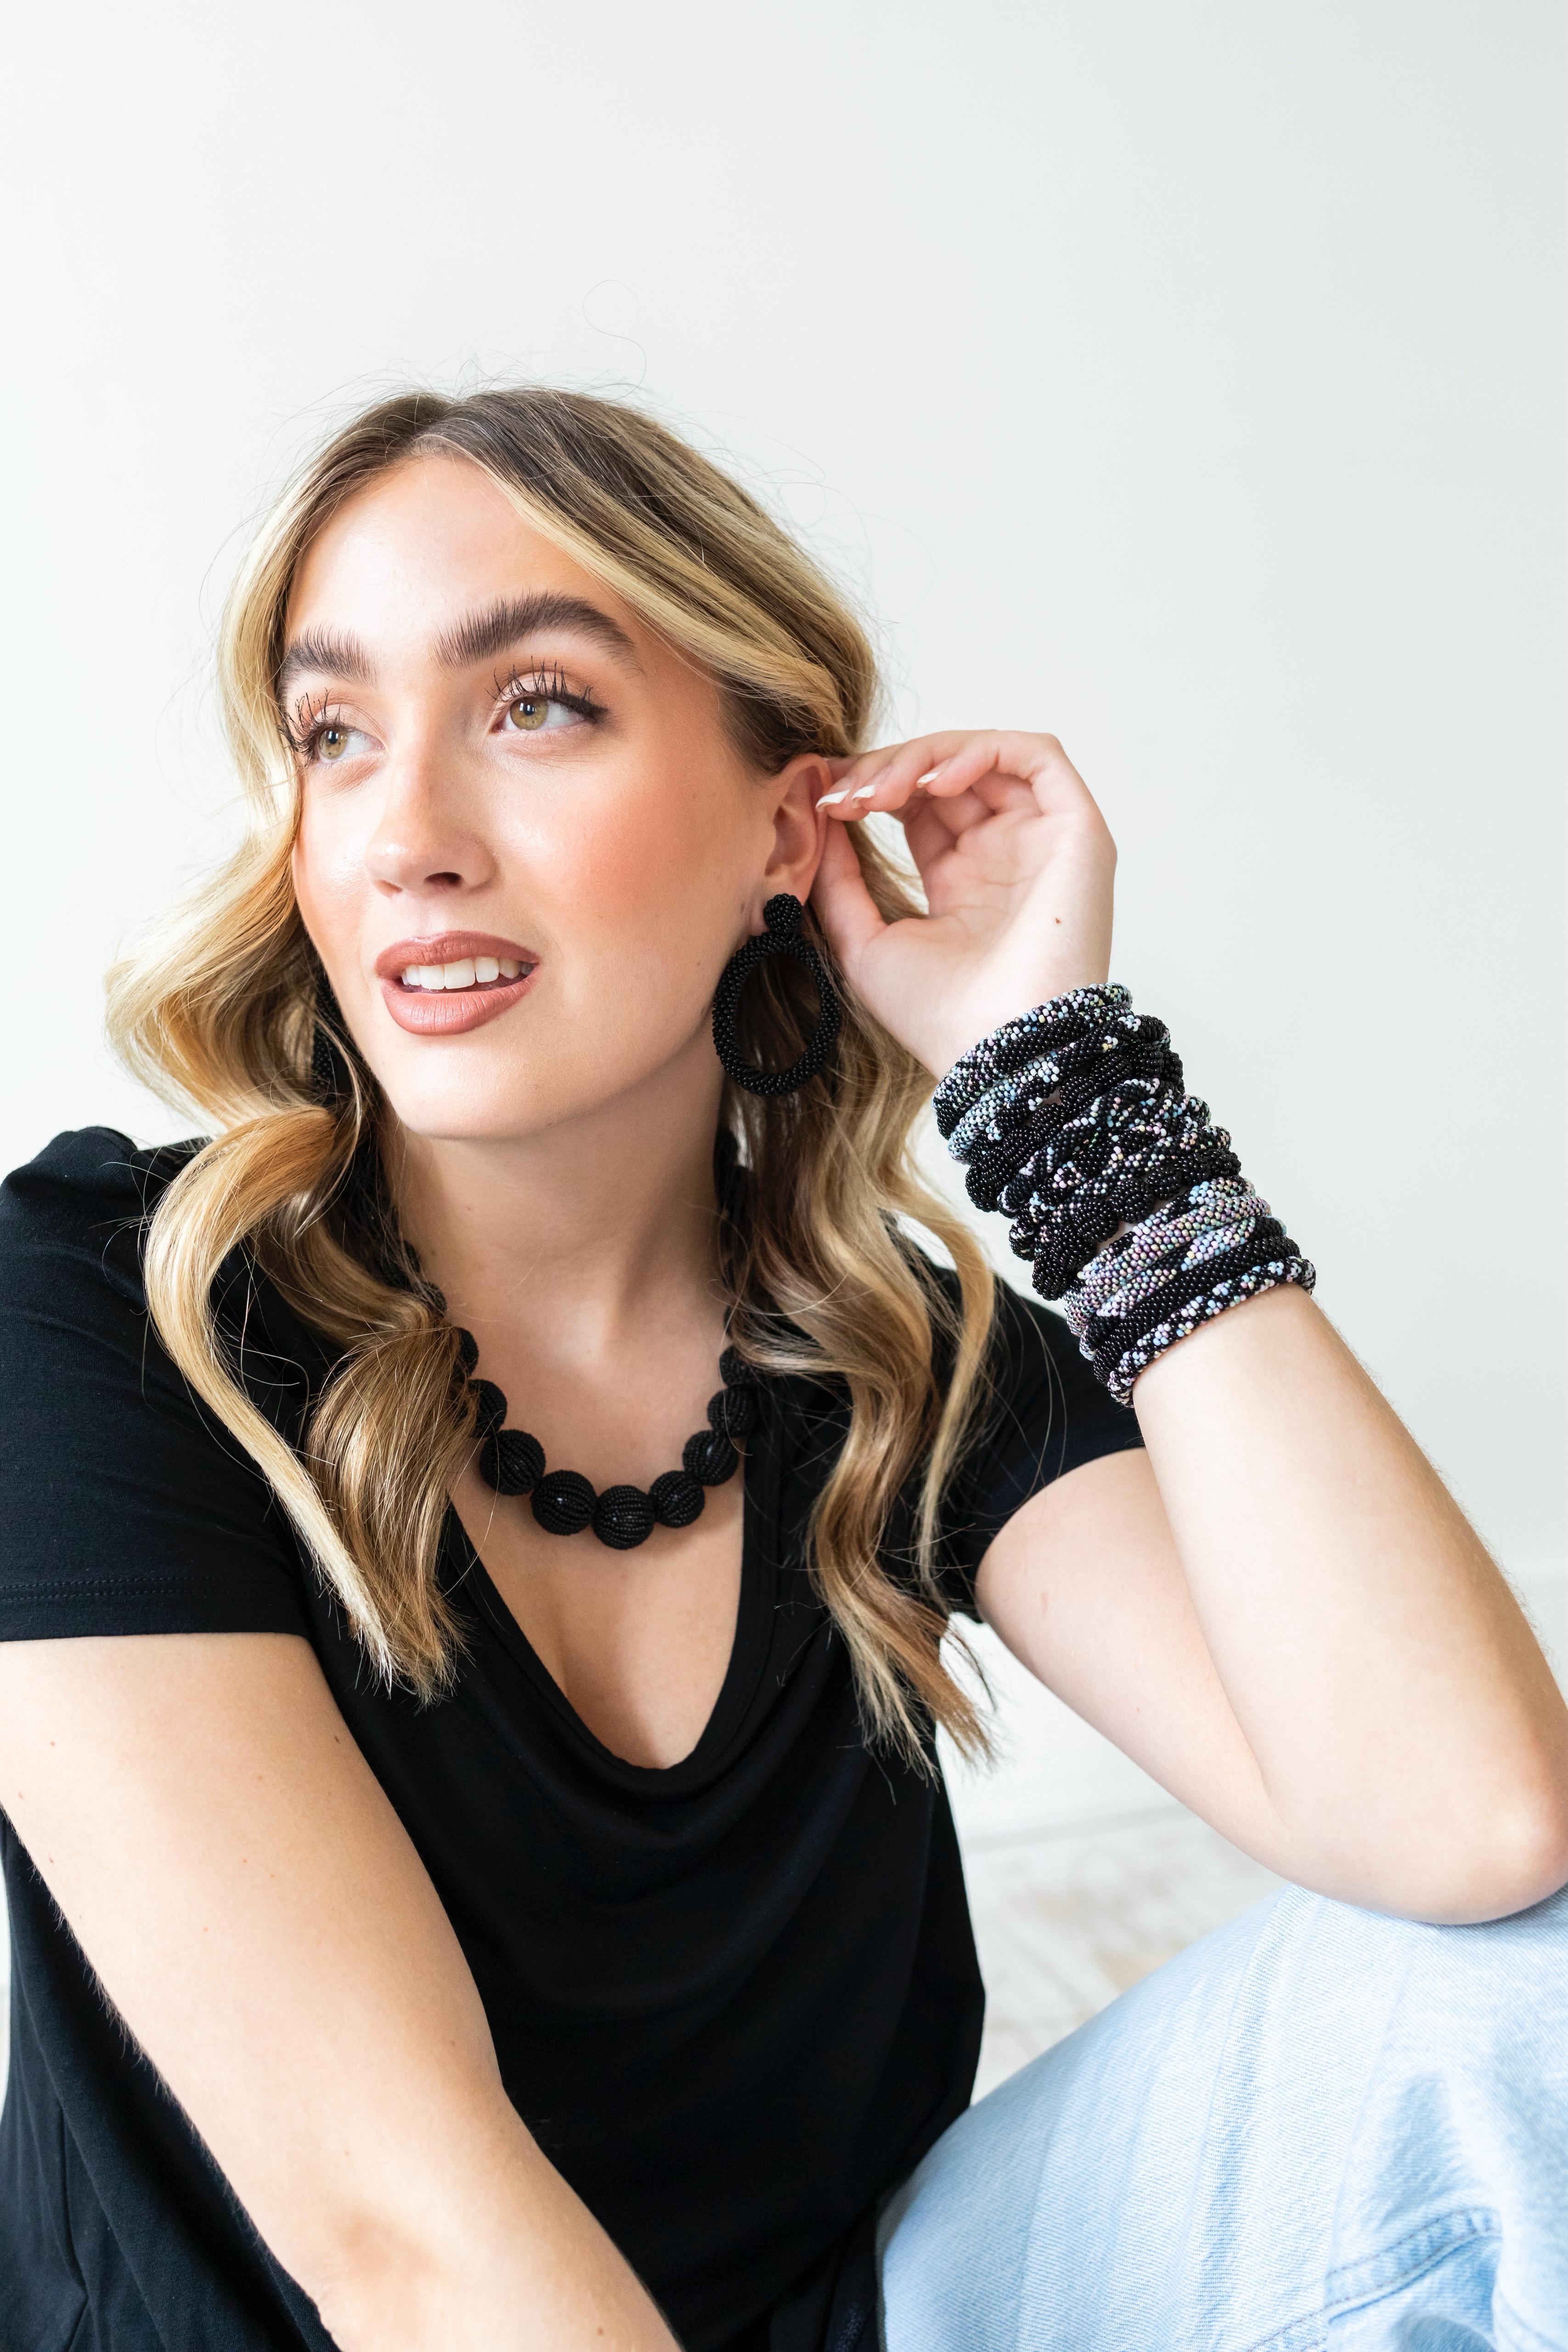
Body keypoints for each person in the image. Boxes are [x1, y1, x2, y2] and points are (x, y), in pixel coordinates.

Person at [0, 387, 1564, 2352]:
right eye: (334, 734)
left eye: (535, 706)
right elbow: (402, 2231)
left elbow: (1470, 1822)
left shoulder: (893, 1360)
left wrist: (1066, 1084)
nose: (406, 838)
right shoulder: (106, 1312)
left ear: (784, 823)